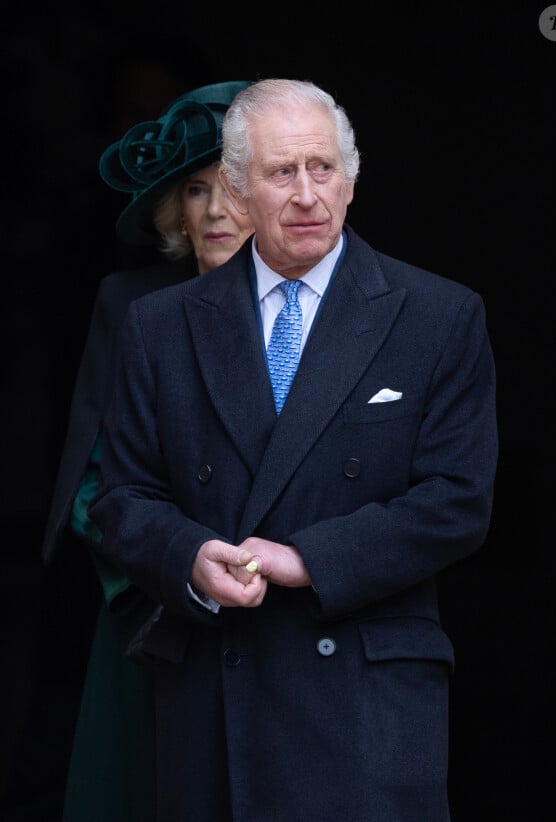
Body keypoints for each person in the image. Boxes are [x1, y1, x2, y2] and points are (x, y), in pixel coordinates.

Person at [89, 78, 498, 822]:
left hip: (366, 707)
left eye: (323, 168)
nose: (307, 194)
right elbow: (123, 497)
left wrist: (310, 559)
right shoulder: (160, 325)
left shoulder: (438, 315)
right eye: (283, 173)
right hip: (215, 695)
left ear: (351, 177)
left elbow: (456, 500)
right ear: (241, 189)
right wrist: (189, 556)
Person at [38, 80, 254, 822]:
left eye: (233, 186)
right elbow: (92, 485)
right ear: (173, 210)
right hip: (153, 615)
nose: (216, 210)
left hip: (290, 620)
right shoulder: (131, 303)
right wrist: (180, 562)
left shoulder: (325, 308)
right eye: (195, 190)